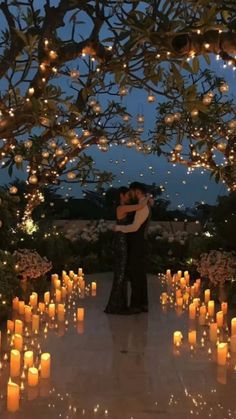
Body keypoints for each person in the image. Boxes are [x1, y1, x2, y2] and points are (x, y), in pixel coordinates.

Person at [104, 186, 149, 314]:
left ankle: (120, 303)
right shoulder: (121, 208)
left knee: (122, 272)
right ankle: (116, 304)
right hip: (121, 240)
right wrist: (146, 197)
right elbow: (139, 207)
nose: (130, 196)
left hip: (123, 238)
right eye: (128, 194)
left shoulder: (124, 207)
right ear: (121, 196)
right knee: (121, 272)